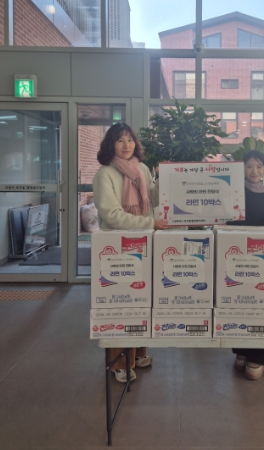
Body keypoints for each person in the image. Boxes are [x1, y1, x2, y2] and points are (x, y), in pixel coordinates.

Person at [93, 122, 167, 383]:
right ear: (110, 145)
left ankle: (137, 354)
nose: (126, 145)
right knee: (121, 303)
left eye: (130, 140)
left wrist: (166, 178)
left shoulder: (142, 168)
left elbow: (153, 199)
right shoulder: (104, 174)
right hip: (118, 247)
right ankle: (119, 363)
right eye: (120, 140)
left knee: (142, 299)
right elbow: (111, 215)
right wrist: (149, 223)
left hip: (144, 244)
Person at [227, 150, 264, 380]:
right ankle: (242, 350)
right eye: (249, 166)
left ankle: (259, 356)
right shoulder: (233, 193)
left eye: (259, 166)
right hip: (238, 256)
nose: (254, 171)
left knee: (261, 305)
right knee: (240, 302)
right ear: (242, 168)